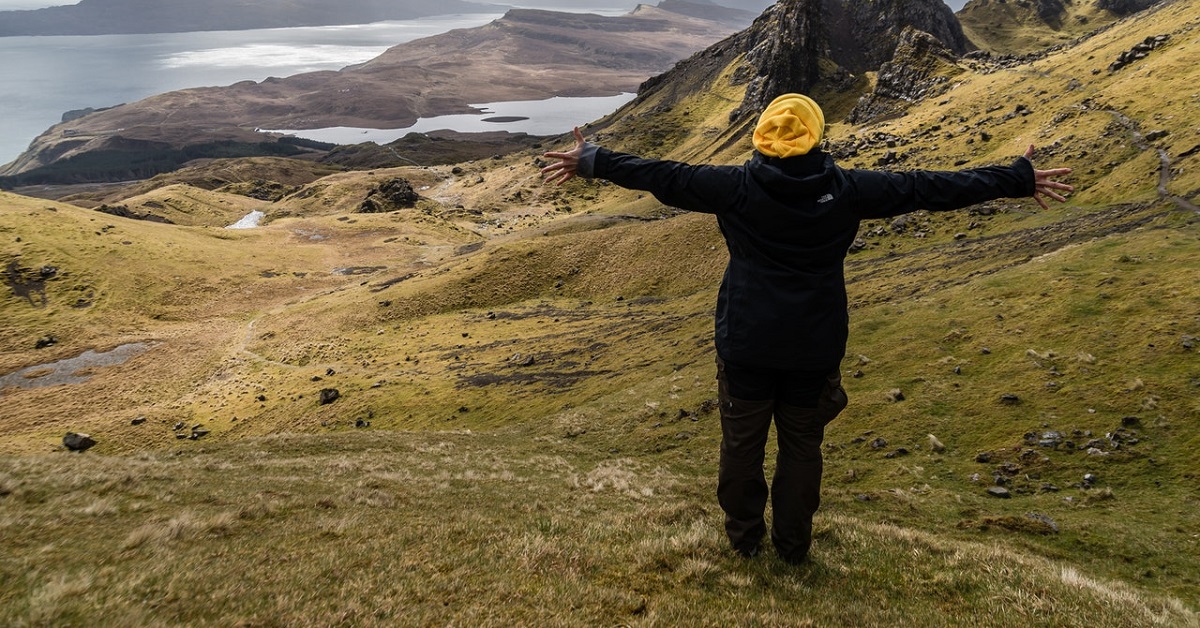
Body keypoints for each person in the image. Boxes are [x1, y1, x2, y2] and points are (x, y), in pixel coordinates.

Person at [540, 93, 1073, 564]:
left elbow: (665, 175)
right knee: (801, 447)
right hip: (814, 345)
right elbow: (927, 188)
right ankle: (793, 547)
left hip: (746, 341)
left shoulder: (733, 187)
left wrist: (594, 159)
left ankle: (744, 540)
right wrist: (1016, 178)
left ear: (761, 138)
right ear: (818, 137)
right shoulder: (849, 190)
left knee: (741, 446)